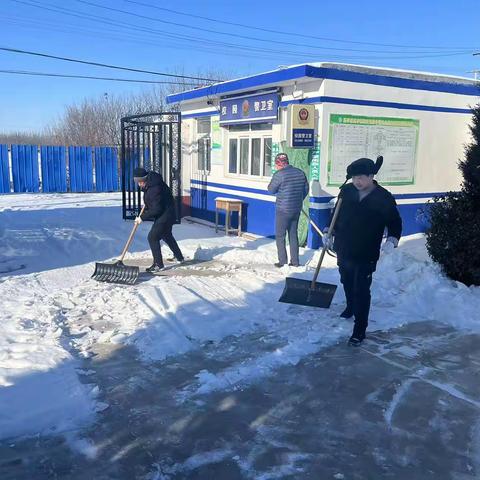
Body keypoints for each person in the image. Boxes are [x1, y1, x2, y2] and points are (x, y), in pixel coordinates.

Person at [326, 156, 402, 346]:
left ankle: (360, 329)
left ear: (371, 176)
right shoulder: (347, 191)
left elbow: (395, 221)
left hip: (366, 251)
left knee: (361, 289)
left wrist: (392, 239)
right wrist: (329, 231)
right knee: (346, 280)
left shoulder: (383, 196)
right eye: (354, 178)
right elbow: (336, 213)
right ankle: (350, 306)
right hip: (344, 247)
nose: (357, 181)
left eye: (361, 177)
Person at [133, 167, 184, 273]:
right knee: (166, 235)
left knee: (152, 237)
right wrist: (145, 209)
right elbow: (153, 203)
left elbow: (157, 208)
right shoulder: (150, 185)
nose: (138, 184)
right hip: (166, 213)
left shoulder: (154, 188)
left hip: (166, 214)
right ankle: (179, 257)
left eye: (139, 181)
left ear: (144, 179)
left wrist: (142, 218)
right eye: (136, 181)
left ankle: (158, 264)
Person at [267, 153, 309, 267]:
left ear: (278, 163)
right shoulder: (300, 173)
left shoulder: (279, 175)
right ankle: (295, 262)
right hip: (296, 209)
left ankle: (282, 261)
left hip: (283, 210)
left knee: (280, 236)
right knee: (293, 234)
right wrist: (298, 200)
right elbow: (305, 190)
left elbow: (271, 190)